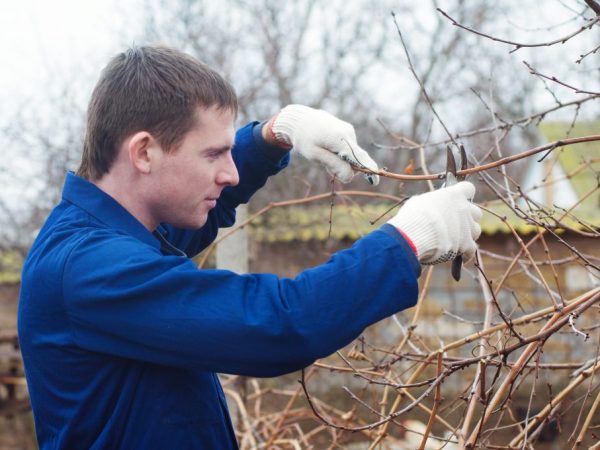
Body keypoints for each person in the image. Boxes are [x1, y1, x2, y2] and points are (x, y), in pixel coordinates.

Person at [17, 45, 481, 449]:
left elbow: (202, 213)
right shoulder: (88, 269)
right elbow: (278, 325)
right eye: (212, 155)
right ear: (144, 153)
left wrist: (272, 135)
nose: (230, 174)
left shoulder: (110, 233)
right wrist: (405, 240)